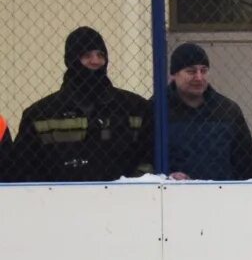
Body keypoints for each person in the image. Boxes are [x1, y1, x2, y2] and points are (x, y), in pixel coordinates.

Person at [10, 26, 154, 182]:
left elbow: (150, 157)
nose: (96, 61)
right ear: (71, 60)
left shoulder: (135, 108)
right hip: (59, 201)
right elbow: (22, 168)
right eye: (87, 55)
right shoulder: (40, 115)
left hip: (124, 200)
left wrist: (133, 187)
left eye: (101, 55)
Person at [164, 42, 252, 181]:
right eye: (191, 71)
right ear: (174, 75)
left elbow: (246, 163)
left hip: (221, 197)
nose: (199, 77)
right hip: (169, 197)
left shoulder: (228, 111)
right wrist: (164, 178)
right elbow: (143, 161)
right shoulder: (156, 110)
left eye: (204, 70)